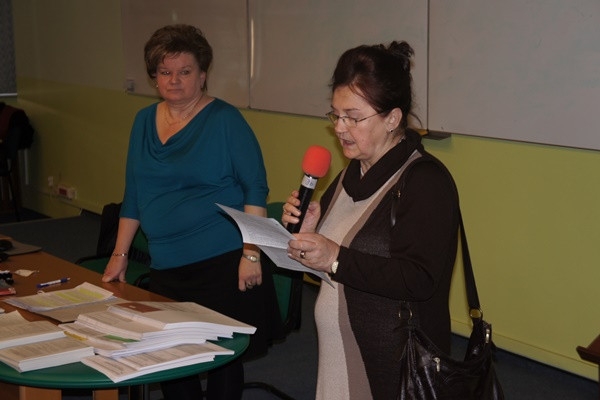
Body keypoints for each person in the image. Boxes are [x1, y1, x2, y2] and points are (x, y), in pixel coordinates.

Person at [102, 24, 278, 400]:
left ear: (202, 74)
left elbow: (255, 188)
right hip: (166, 264)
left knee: (222, 357)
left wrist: (251, 253)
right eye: (165, 72)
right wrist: (119, 254)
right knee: (172, 358)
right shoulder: (143, 121)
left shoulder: (225, 120)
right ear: (154, 77)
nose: (174, 81)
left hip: (222, 260)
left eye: (184, 71)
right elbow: (134, 195)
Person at [282, 41, 460, 399]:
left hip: (393, 367)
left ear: (392, 118)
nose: (340, 128)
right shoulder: (351, 173)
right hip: (339, 357)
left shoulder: (425, 181)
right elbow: (335, 271)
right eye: (336, 115)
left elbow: (418, 279)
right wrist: (308, 241)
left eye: (354, 117)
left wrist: (334, 256)